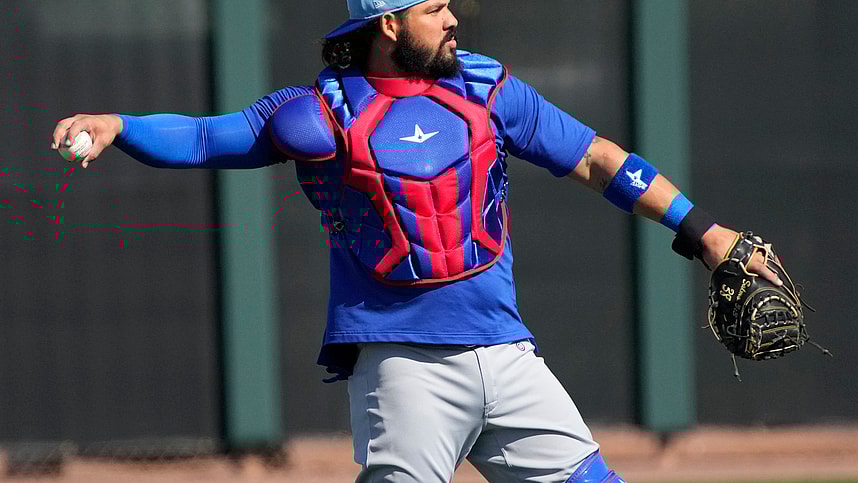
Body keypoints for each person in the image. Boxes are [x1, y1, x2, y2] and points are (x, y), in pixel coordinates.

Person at [51, 0, 783, 481]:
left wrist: (705, 233)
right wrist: (120, 126)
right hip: (404, 367)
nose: (455, 18)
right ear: (390, 23)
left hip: (507, 353)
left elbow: (599, 159)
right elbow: (209, 137)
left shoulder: (487, 91)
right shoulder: (321, 114)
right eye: (435, 8)